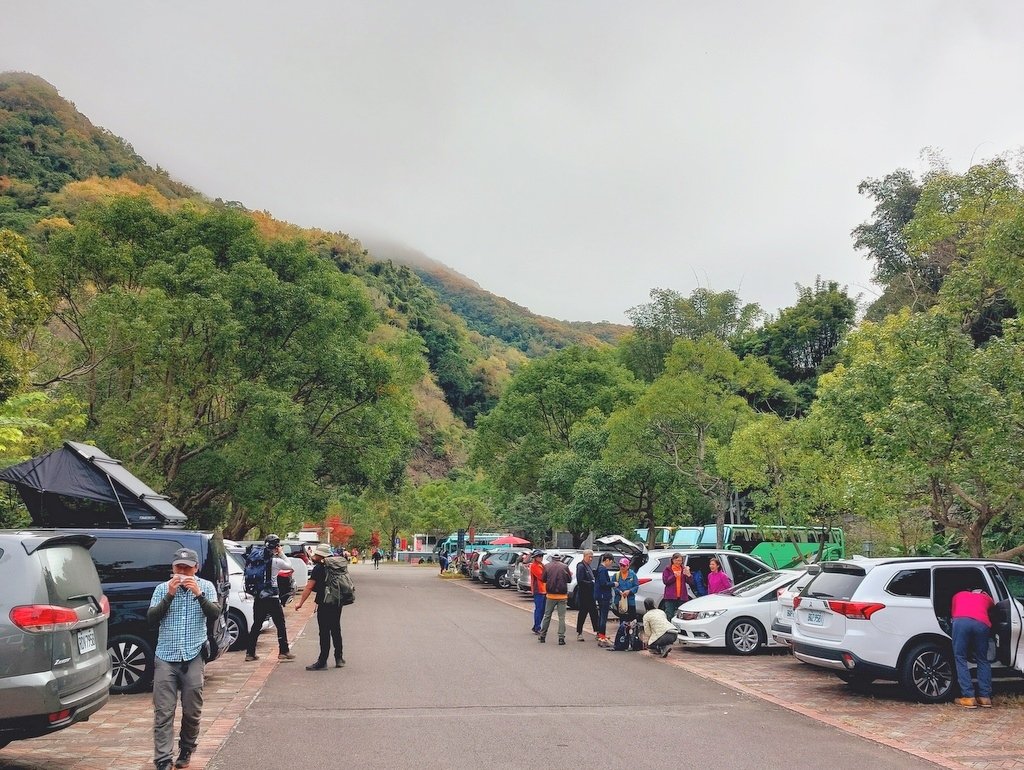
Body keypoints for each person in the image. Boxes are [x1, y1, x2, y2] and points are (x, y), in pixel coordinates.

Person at [147, 547, 220, 770]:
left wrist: (199, 594)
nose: (182, 572)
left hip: (193, 654)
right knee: (163, 711)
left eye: (187, 568)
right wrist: (169, 594)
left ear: (195, 568)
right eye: (179, 567)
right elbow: (151, 618)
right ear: (173, 567)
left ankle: (187, 747)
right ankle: (163, 759)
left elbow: (215, 614)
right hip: (166, 656)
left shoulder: (206, 586)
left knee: (192, 709)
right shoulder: (162, 589)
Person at [244, 534, 296, 663]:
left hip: (259, 596)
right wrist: (281, 553)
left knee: (257, 624)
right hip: (272, 597)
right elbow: (289, 565)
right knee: (280, 624)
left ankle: (250, 653)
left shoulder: (256, 559)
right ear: (276, 546)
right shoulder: (275, 561)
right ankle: (283, 651)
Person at [295, 543, 345, 671]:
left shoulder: (319, 568)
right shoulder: (337, 566)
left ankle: (322, 661)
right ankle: (339, 658)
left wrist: (300, 603)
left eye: (316, 554)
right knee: (336, 629)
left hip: (324, 603)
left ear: (320, 555)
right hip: (337, 602)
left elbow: (309, 587)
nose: (314, 556)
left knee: (324, 632)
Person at [951, 588, 995, 708]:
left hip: (961, 622)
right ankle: (985, 697)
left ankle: (968, 697)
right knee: (982, 659)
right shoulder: (986, 597)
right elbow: (994, 607)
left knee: (960, 657)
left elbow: (953, 612)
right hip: (982, 623)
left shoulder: (958, 594)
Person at [539, 554, 573, 645]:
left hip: (550, 595)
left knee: (547, 616)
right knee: (561, 617)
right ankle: (561, 638)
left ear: (552, 559)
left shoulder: (547, 566)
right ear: (560, 559)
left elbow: (543, 579)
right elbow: (569, 579)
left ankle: (542, 635)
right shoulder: (565, 567)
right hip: (562, 595)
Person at [574, 549, 600, 642]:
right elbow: (580, 581)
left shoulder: (588, 566)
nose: (591, 559)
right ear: (585, 556)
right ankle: (579, 632)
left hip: (591, 594)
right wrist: (591, 583)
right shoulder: (581, 566)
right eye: (590, 557)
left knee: (594, 613)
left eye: (592, 557)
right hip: (584, 594)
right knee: (582, 614)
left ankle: (597, 632)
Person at [662, 553, 695, 619]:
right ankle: (669, 628)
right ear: (673, 560)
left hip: (682, 596)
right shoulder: (668, 569)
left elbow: (691, 582)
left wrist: (689, 575)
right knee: (669, 614)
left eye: (680, 560)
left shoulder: (683, 569)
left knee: (682, 614)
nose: (678, 562)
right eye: (677, 560)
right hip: (670, 597)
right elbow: (666, 581)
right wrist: (674, 576)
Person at [595, 552, 616, 647]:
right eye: (611, 562)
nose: (611, 564)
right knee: (603, 617)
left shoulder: (600, 569)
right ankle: (602, 637)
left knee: (601, 616)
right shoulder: (603, 570)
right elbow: (604, 583)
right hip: (604, 596)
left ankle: (600, 635)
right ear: (607, 560)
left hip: (600, 595)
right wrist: (613, 584)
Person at [612, 557, 639, 622]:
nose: (622, 567)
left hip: (630, 601)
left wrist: (629, 591)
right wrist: (619, 591)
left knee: (632, 620)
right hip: (620, 601)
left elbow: (636, 586)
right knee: (622, 619)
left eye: (623, 566)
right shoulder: (616, 575)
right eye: (620, 565)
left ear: (628, 566)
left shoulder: (633, 575)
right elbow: (614, 586)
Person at [529, 549, 546, 635]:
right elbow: (541, 576)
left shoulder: (541, 565)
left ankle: (537, 625)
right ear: (535, 557)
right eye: (539, 556)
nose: (541, 557)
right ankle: (537, 627)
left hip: (544, 590)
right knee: (539, 609)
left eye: (541, 556)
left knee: (542, 610)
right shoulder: (534, 566)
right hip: (538, 590)